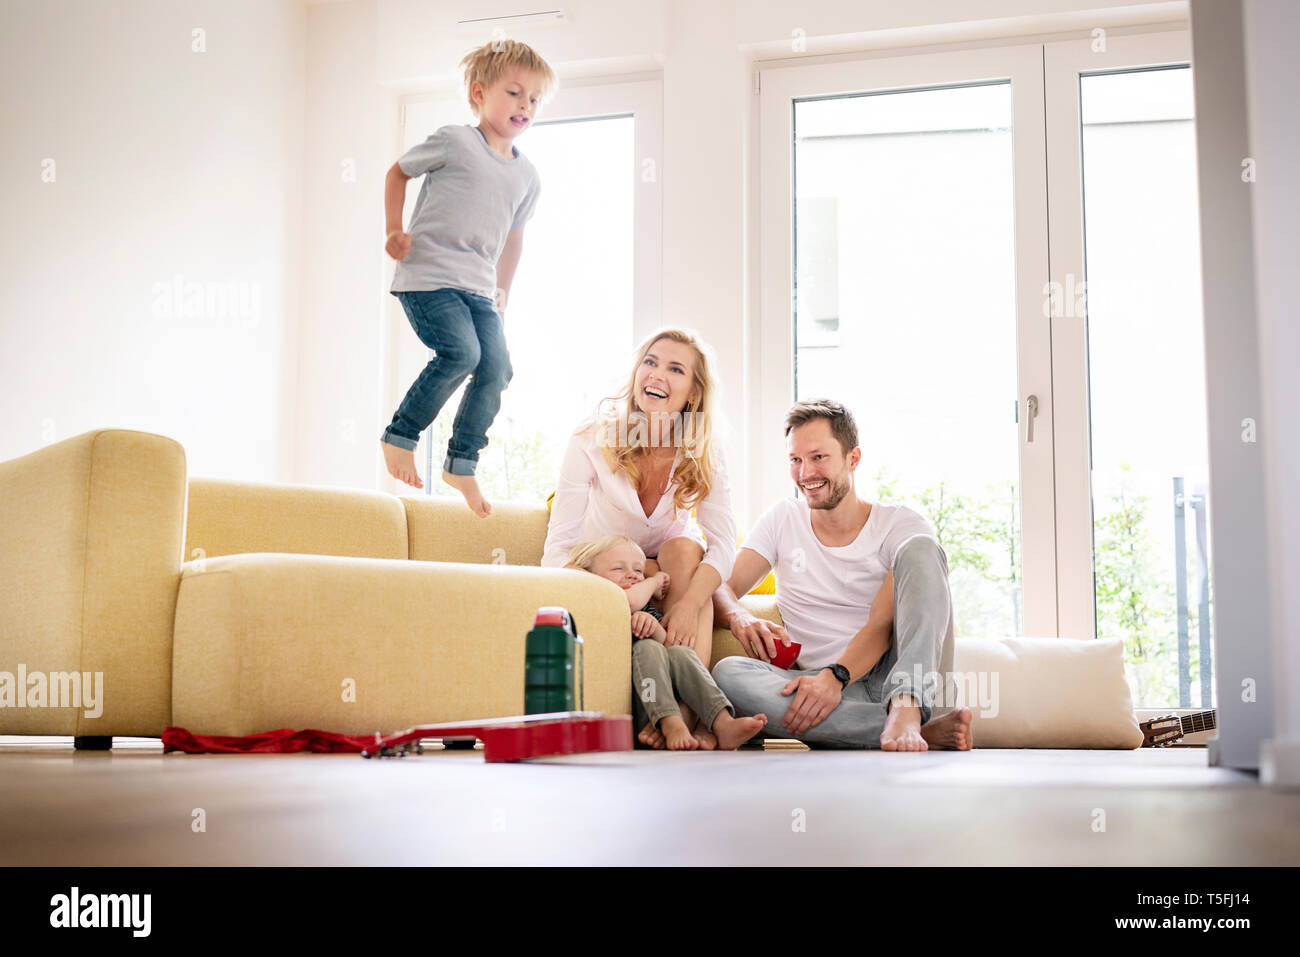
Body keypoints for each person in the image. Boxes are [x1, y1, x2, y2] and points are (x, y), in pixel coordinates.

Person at [711, 399, 973, 751]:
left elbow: (880, 625)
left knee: (923, 548)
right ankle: (914, 731)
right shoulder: (782, 520)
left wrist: (837, 676)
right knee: (728, 674)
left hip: (894, 676)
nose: (805, 473)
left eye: (819, 457)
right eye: (795, 460)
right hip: (818, 686)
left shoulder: (900, 524)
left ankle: (906, 710)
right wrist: (738, 615)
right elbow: (722, 585)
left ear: (853, 459)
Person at [379, 40, 557, 516]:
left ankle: (461, 460)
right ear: (479, 93)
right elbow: (398, 173)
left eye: (534, 99)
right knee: (462, 352)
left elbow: (513, 240)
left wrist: (502, 295)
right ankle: (401, 434)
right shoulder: (455, 141)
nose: (526, 105)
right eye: (515, 93)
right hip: (428, 278)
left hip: (479, 290)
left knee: (497, 367)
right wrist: (395, 230)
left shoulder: (528, 177)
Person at [541, 328, 738, 748]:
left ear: (692, 393)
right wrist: (604, 590)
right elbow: (557, 551)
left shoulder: (705, 449)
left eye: (675, 368)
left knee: (685, 549)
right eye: (650, 362)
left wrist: (687, 603)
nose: (656, 375)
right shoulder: (592, 437)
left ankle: (680, 716)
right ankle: (683, 720)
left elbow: (724, 544)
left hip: (670, 576)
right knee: (672, 555)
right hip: (605, 575)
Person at [568, 535, 766, 751]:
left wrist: (654, 629)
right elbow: (630, 600)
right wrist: (652, 581)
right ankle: (671, 723)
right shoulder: (606, 601)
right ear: (593, 577)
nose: (632, 576)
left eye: (638, 570)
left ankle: (721, 721)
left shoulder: (647, 610)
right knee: (647, 648)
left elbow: (668, 648)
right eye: (618, 568)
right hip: (641, 702)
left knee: (680, 652)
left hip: (661, 690)